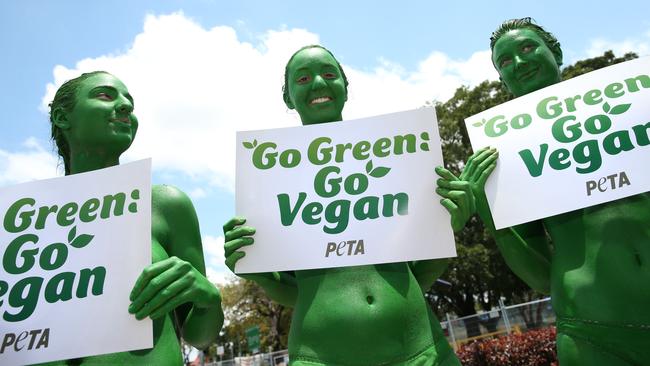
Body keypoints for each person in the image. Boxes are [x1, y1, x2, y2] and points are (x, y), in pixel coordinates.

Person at [224, 45, 472, 365]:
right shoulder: (267, 179)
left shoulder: (398, 156)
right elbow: (294, 294)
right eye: (302, 78)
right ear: (288, 98)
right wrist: (251, 266)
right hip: (319, 357)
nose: (317, 83)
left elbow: (425, 269)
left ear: (345, 87)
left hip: (419, 351)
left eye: (329, 74)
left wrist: (449, 223)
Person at [453, 18, 650, 365]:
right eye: (505, 61)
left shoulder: (633, 102)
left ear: (554, 51)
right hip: (592, 331)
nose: (519, 62)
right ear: (502, 79)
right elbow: (541, 276)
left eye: (528, 48)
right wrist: (488, 208)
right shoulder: (504, 156)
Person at [41, 71, 223, 365]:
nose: (125, 106)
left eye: (130, 102)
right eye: (105, 95)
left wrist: (207, 299)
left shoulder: (166, 206)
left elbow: (200, 337)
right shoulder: (22, 225)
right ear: (63, 118)